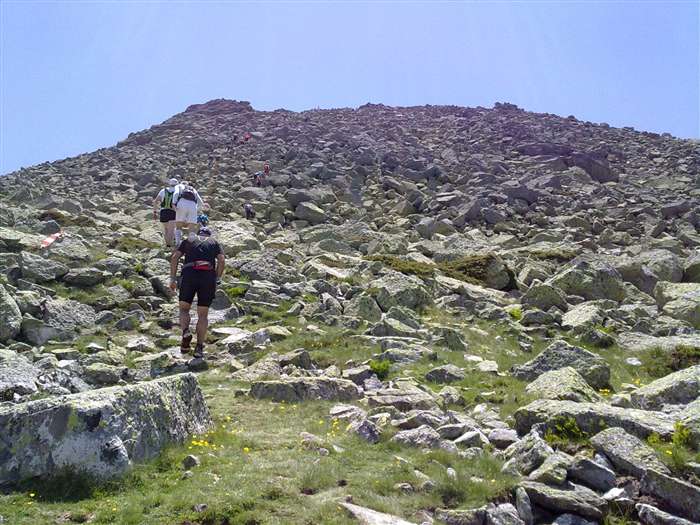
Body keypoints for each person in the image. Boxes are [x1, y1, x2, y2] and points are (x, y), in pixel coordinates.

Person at [169, 226, 225, 358]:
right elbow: (221, 260)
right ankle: (199, 347)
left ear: (199, 233)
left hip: (189, 275)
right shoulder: (214, 242)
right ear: (208, 235)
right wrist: (217, 278)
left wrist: (172, 278)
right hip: (207, 277)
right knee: (203, 315)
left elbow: (174, 257)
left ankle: (186, 331)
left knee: (184, 309)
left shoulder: (189, 240)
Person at [173, 181, 204, 247]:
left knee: (179, 226)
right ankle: (192, 245)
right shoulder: (193, 189)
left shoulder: (179, 186)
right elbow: (201, 203)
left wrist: (174, 203)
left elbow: (176, 193)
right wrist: (196, 210)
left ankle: (178, 243)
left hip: (182, 203)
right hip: (193, 205)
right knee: (191, 228)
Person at [153, 178, 178, 247]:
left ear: (169, 184)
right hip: (172, 211)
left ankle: (167, 245)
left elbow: (155, 201)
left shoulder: (163, 190)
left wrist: (155, 212)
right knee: (171, 231)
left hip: (163, 211)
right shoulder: (177, 191)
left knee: (166, 230)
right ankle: (169, 246)